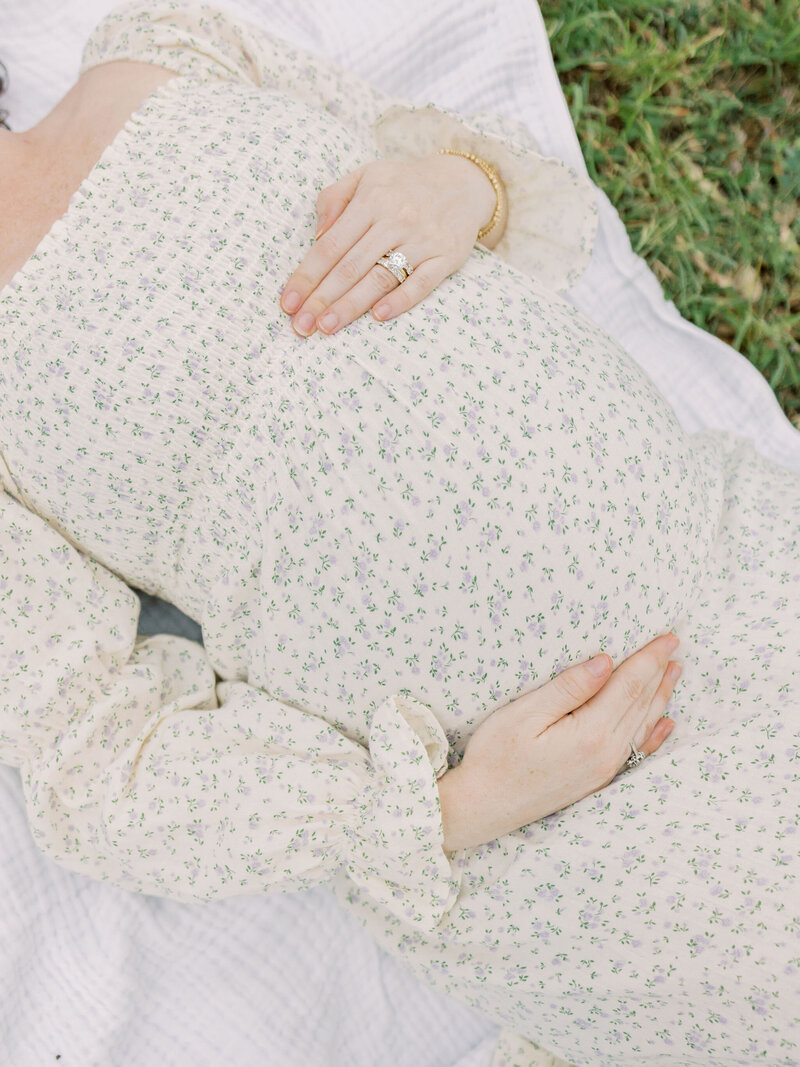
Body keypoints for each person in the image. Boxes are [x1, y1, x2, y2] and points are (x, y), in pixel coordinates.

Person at [0, 2, 798, 1064]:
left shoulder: (158, 52)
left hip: (728, 547)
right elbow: (98, 765)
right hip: (583, 813)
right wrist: (440, 807)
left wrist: (461, 185)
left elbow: (459, 161)